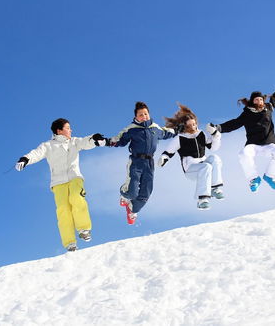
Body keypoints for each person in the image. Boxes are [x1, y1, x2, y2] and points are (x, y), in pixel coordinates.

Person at [15, 118, 107, 252]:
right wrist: (25, 159)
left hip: (75, 177)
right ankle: (70, 242)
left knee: (76, 198)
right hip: (58, 182)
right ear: (59, 131)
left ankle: (84, 229)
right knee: (63, 210)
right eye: (68, 128)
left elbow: (85, 142)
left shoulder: (74, 142)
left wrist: (94, 139)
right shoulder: (48, 145)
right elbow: (36, 153)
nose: (71, 130)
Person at [207, 81, 275, 192]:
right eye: (256, 100)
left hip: (268, 143)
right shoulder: (247, 113)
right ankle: (254, 178)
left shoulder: (269, 107)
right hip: (253, 144)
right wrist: (218, 128)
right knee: (243, 154)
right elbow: (234, 123)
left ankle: (270, 176)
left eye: (260, 99)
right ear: (252, 102)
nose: (259, 101)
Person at [107, 101, 176, 224]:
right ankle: (124, 194)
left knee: (146, 192)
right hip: (136, 162)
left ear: (149, 114)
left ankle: (132, 210)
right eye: (140, 115)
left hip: (150, 163)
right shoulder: (132, 129)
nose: (144, 116)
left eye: (145, 114)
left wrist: (178, 130)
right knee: (132, 192)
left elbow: (166, 133)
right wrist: (108, 141)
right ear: (136, 117)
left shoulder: (155, 128)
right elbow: (119, 140)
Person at [158, 104, 224, 210]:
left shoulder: (201, 134)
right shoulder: (180, 138)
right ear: (184, 126)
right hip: (190, 168)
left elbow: (213, 147)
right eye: (189, 126)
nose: (193, 127)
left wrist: (215, 135)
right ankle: (202, 200)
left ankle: (215, 188)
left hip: (203, 164)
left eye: (194, 124)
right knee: (206, 167)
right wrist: (164, 158)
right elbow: (169, 151)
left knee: (214, 158)